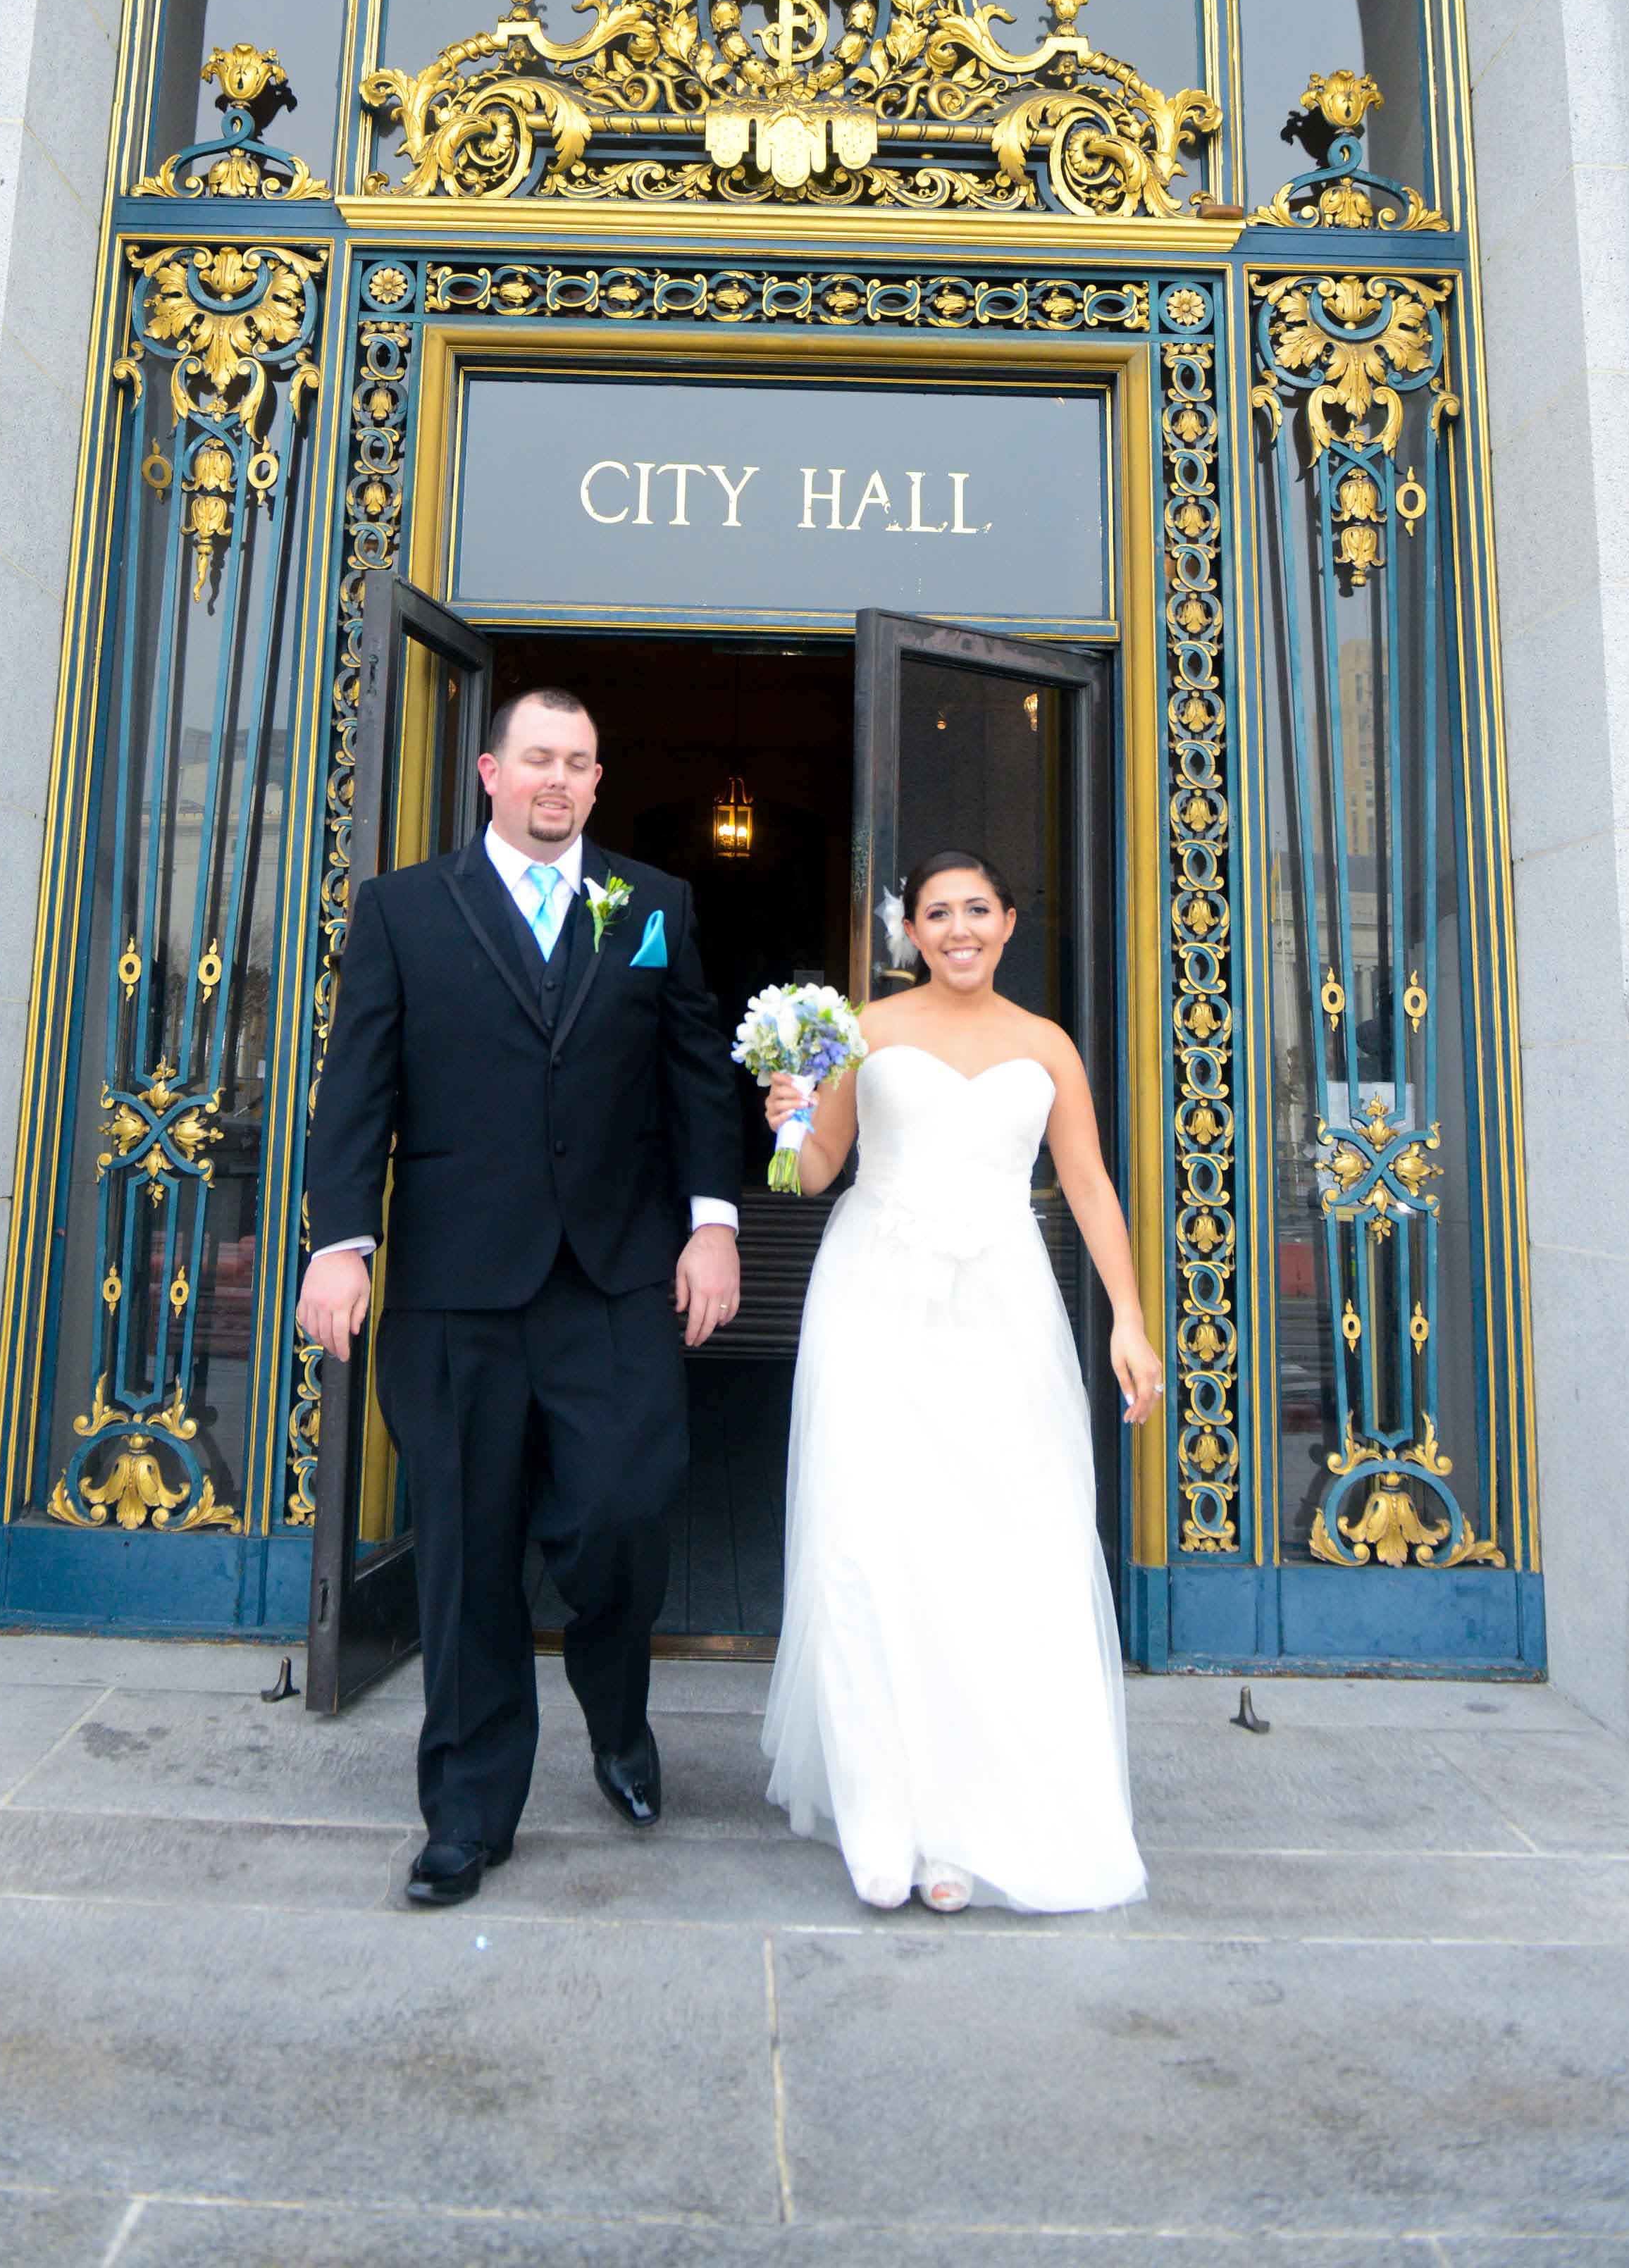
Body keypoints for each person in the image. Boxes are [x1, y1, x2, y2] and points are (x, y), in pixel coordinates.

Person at [295, 686, 745, 1905]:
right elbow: (357, 1090)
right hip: (457, 1287)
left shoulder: (653, 906)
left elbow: (696, 1073)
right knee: (464, 1552)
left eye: (582, 763)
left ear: (599, 782)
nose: (560, 779)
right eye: (538, 758)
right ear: (490, 773)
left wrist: (712, 1224)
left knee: (623, 1512)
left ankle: (617, 1715)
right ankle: (467, 1811)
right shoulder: (400, 910)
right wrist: (340, 1243)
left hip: (614, 1278)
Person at [759, 848, 1162, 1914]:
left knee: (992, 1555)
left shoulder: (1047, 1047)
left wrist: (1129, 1317)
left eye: (977, 909)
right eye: (937, 913)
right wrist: (790, 1115)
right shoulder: (870, 1028)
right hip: (873, 1299)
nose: (958, 929)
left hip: (1001, 1311)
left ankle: (961, 1826)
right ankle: (883, 1816)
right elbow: (816, 1171)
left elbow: (1087, 1184)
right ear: (912, 933)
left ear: (1011, 921)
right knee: (870, 1547)